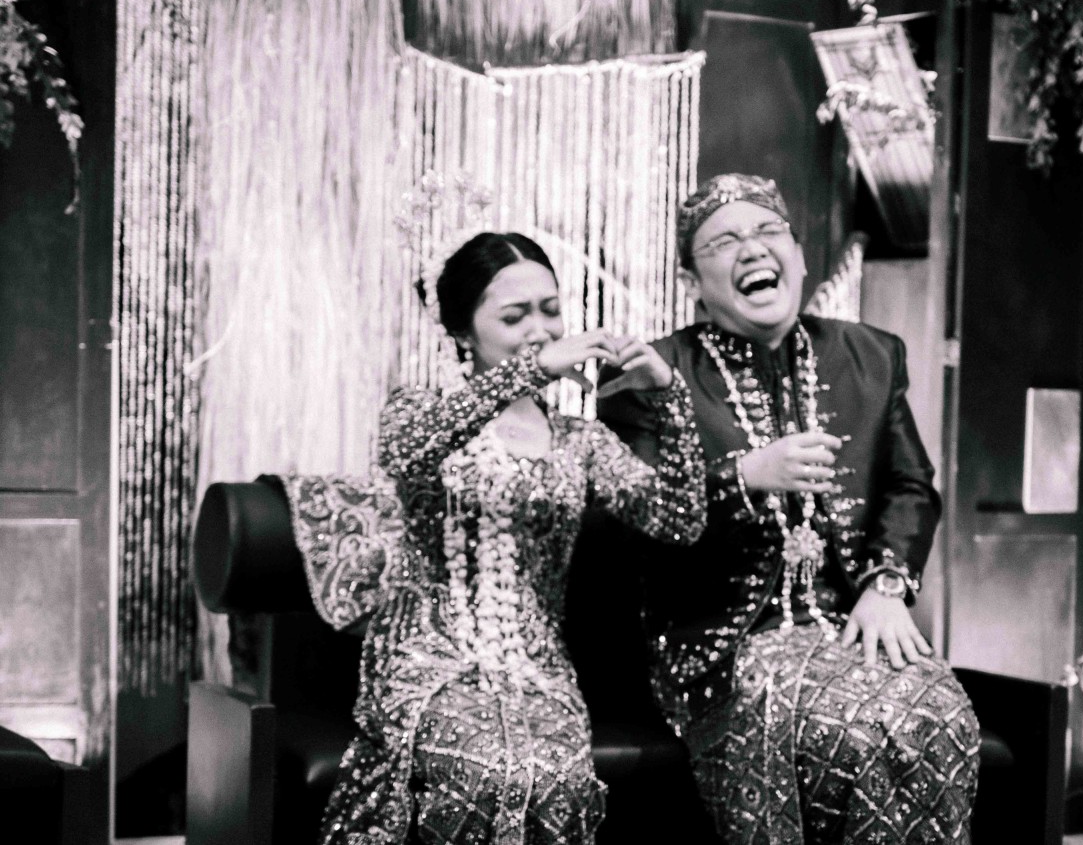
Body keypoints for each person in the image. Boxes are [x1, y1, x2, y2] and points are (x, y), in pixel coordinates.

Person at [280, 232, 706, 845]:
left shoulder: (578, 438)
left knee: (557, 779)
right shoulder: (417, 410)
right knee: (485, 773)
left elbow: (680, 519)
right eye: (515, 316)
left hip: (538, 669)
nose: (541, 329)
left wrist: (669, 395)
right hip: (427, 659)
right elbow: (406, 454)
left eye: (550, 310)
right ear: (462, 331)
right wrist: (532, 370)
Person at [597, 174, 981, 843]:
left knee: (940, 718)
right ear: (691, 281)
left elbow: (910, 486)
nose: (752, 248)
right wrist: (744, 477)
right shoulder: (650, 372)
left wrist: (887, 585)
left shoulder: (869, 355)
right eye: (724, 242)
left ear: (799, 258)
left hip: (853, 621)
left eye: (769, 231)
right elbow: (633, 523)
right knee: (846, 735)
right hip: (721, 638)